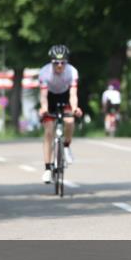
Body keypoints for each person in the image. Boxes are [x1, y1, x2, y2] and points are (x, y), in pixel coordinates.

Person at [37, 45, 82, 183]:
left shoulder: (72, 72)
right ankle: (47, 169)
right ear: (52, 62)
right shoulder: (44, 73)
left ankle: (67, 146)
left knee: (69, 121)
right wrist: (43, 108)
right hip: (50, 97)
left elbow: (73, 94)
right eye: (56, 62)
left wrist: (75, 108)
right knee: (49, 131)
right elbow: (43, 95)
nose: (60, 65)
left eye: (63, 62)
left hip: (64, 96)